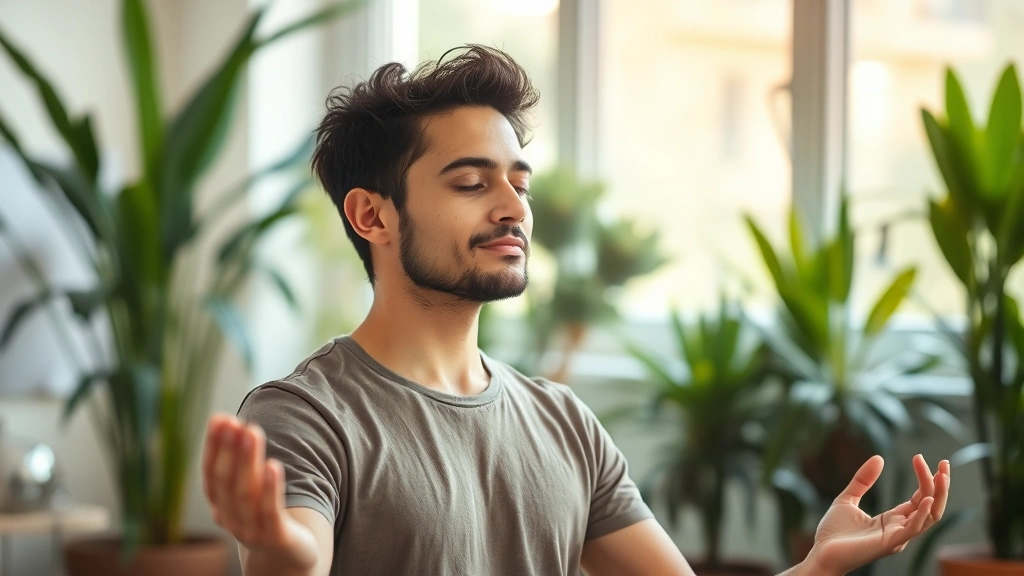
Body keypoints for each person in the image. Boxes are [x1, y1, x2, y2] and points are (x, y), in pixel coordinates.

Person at [201, 45, 951, 576]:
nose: (512, 208)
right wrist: (280, 554)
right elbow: (294, 553)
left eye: (518, 183)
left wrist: (817, 568)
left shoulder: (562, 422)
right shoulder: (304, 416)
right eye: (470, 183)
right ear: (373, 217)